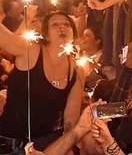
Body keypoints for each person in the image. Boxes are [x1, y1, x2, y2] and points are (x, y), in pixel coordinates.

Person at [0, 11, 85, 150]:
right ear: (46, 34)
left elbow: (70, 117)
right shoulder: (30, 50)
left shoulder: (77, 71)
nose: (62, 28)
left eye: (67, 25)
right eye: (55, 25)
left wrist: (69, 147)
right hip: (9, 144)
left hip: (44, 146)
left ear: (74, 34)